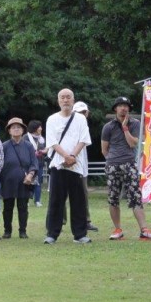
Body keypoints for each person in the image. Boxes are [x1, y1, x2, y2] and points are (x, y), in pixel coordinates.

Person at [101, 96, 151, 241]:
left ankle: (144, 230)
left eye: (126, 105)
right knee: (113, 198)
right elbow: (104, 150)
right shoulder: (108, 127)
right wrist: (112, 160)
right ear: (115, 108)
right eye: (120, 105)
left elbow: (134, 144)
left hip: (130, 163)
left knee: (135, 197)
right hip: (113, 164)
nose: (123, 108)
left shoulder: (136, 124)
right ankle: (117, 229)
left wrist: (125, 128)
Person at [43, 89, 92, 245]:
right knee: (56, 200)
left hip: (76, 165)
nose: (65, 100)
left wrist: (72, 157)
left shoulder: (80, 119)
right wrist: (65, 156)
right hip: (58, 164)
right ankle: (52, 234)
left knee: (78, 201)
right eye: (62, 98)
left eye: (68, 97)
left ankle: (80, 234)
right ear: (58, 101)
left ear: (73, 100)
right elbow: (52, 142)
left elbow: (83, 139)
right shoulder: (52, 119)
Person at [0, 117, 37, 239]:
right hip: (7, 181)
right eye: (13, 127)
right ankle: (7, 231)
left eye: (18, 127)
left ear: (23, 130)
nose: (16, 129)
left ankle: (23, 231)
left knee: (23, 207)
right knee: (7, 208)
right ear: (9, 131)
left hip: (24, 182)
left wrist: (31, 175)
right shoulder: (3, 146)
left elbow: (34, 163)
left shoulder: (29, 146)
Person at [72, 101, 98, 232]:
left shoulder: (85, 127)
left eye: (83, 112)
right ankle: (59, 221)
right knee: (62, 194)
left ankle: (86, 220)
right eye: (78, 112)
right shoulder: (69, 125)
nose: (81, 115)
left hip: (82, 167)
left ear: (87, 113)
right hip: (69, 166)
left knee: (84, 194)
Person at [26, 120, 47, 207]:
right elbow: (23, 150)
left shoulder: (41, 138)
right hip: (29, 164)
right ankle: (26, 200)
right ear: (34, 128)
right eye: (39, 127)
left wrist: (43, 151)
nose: (41, 128)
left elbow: (47, 148)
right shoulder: (26, 137)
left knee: (38, 182)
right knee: (28, 181)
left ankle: (37, 200)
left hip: (40, 163)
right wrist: (33, 153)